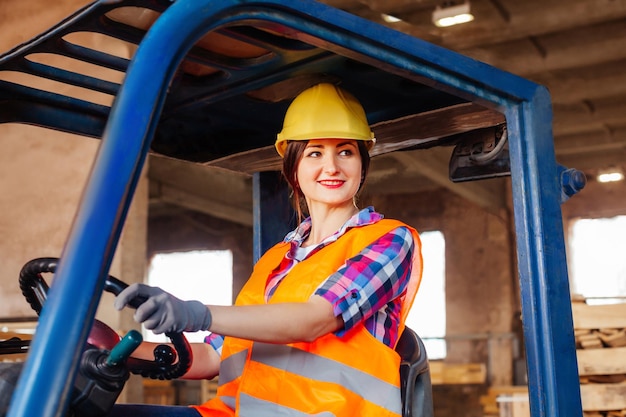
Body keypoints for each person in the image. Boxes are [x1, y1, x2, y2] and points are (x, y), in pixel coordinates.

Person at [110, 82, 423, 417]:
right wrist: (116, 349)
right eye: (315, 153)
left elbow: (316, 319)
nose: (332, 167)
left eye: (345, 151)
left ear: (362, 165)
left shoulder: (389, 240)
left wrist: (197, 313)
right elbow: (215, 357)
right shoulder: (276, 261)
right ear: (293, 169)